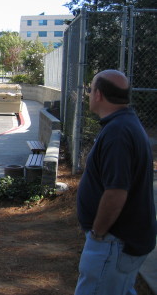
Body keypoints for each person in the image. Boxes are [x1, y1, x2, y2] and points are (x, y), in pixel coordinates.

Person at [75, 69, 156, 295]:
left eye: (90, 90)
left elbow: (116, 192)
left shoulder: (118, 133)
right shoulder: (125, 124)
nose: (89, 94)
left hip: (113, 241)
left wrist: (98, 234)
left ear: (98, 94)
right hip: (120, 240)